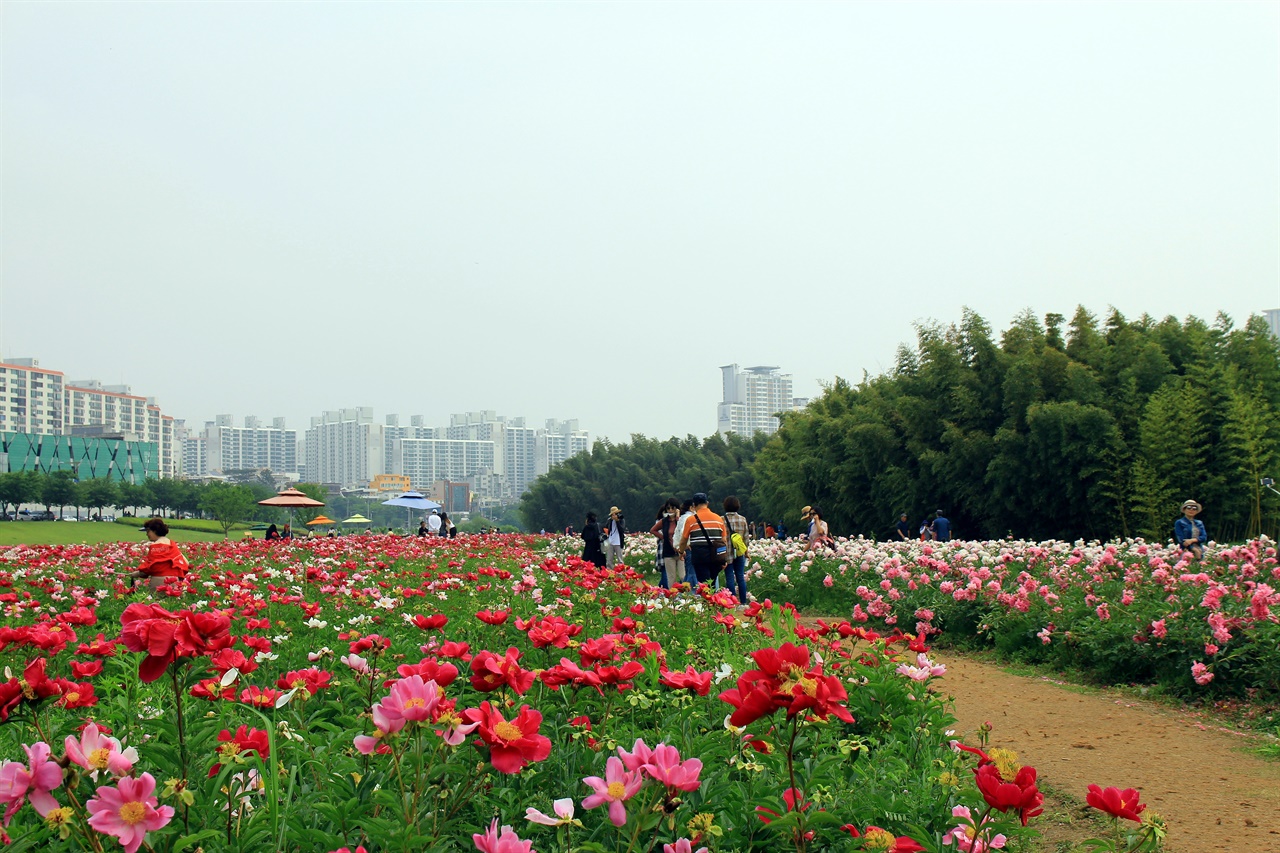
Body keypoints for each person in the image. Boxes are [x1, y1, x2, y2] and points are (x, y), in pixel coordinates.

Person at [675, 493, 730, 586]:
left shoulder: (691, 520)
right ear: (707, 503)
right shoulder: (718, 519)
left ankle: (706, 600)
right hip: (715, 556)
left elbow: (684, 540)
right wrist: (724, 559)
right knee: (711, 583)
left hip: (699, 555)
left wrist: (681, 552)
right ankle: (713, 599)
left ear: (694, 505)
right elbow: (724, 541)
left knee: (703, 585)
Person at [128, 518, 190, 591]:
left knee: (157, 601)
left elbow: (149, 567)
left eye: (148, 531)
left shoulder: (155, 546)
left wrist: (136, 574)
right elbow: (186, 563)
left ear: (154, 531)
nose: (147, 534)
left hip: (158, 582)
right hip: (174, 581)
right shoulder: (172, 544)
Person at [722, 495, 749, 605]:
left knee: (729, 578)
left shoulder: (721, 520)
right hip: (739, 553)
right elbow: (745, 539)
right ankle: (743, 602)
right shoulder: (742, 519)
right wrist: (746, 553)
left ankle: (732, 602)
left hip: (726, 553)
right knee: (740, 578)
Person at [649, 498, 681, 589]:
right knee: (669, 575)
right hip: (666, 549)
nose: (670, 510)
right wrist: (664, 538)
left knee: (683, 575)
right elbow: (653, 530)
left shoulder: (680, 520)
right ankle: (668, 592)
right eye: (668, 508)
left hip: (680, 550)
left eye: (673, 508)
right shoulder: (663, 521)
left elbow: (681, 530)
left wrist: (678, 517)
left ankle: (683, 592)